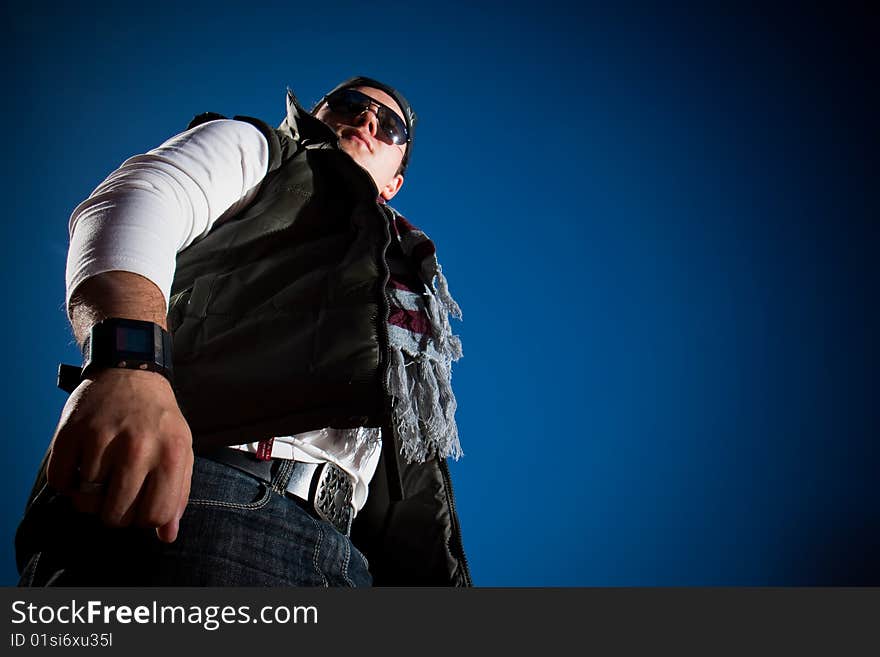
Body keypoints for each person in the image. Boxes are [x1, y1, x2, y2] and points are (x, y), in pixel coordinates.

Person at [15, 76, 471, 586]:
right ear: (315, 115)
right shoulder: (265, 152)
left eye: (389, 127)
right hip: (200, 495)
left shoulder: (398, 282)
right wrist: (130, 363)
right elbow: (140, 201)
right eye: (351, 105)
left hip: (345, 558)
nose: (368, 121)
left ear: (394, 183)